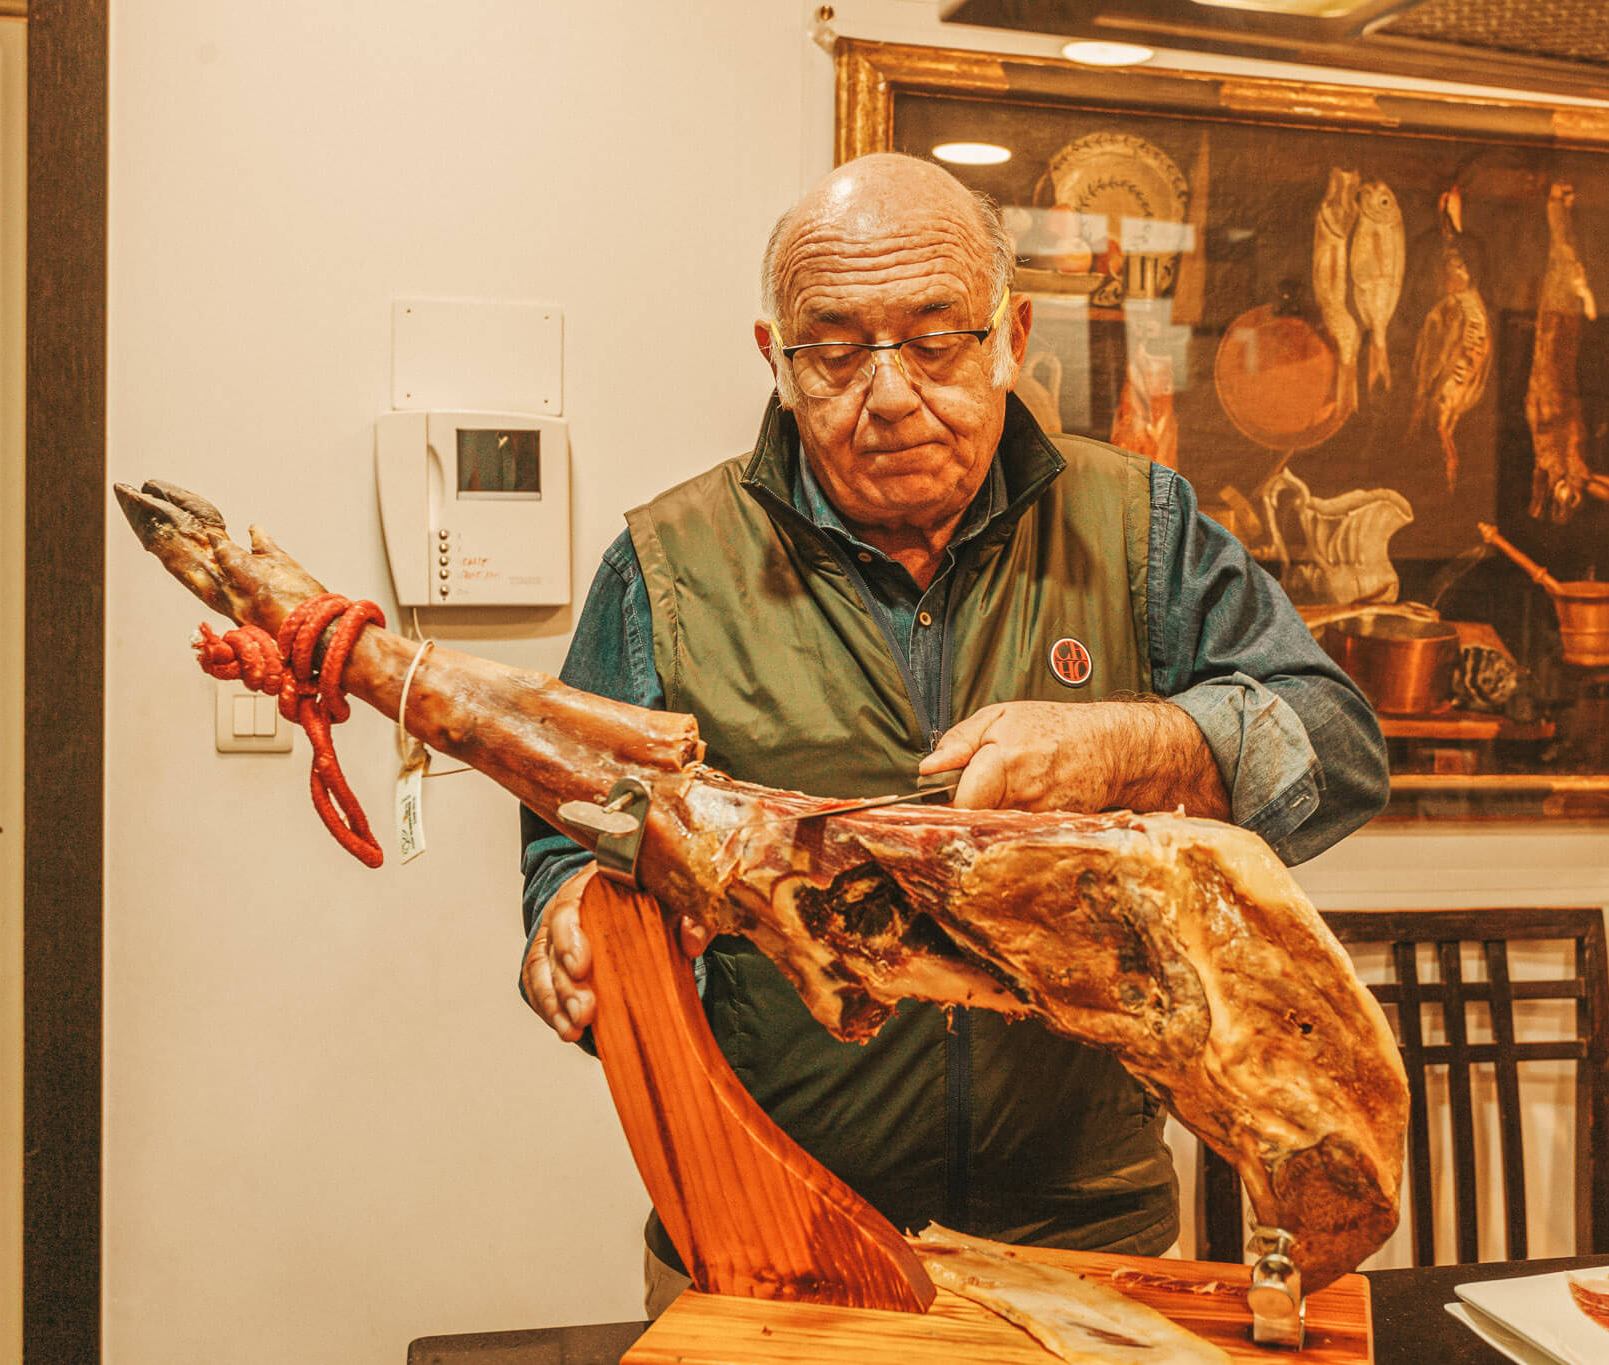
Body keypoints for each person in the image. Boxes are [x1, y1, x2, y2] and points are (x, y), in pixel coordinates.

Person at [517, 153, 1388, 1314]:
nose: (885, 394)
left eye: (935, 341)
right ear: (774, 359)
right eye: (832, 350)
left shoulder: (1140, 527)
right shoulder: (667, 569)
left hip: (1087, 1228)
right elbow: (573, 832)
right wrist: (570, 917)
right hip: (765, 1226)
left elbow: (1338, 750)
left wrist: (1136, 743)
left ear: (1010, 336)